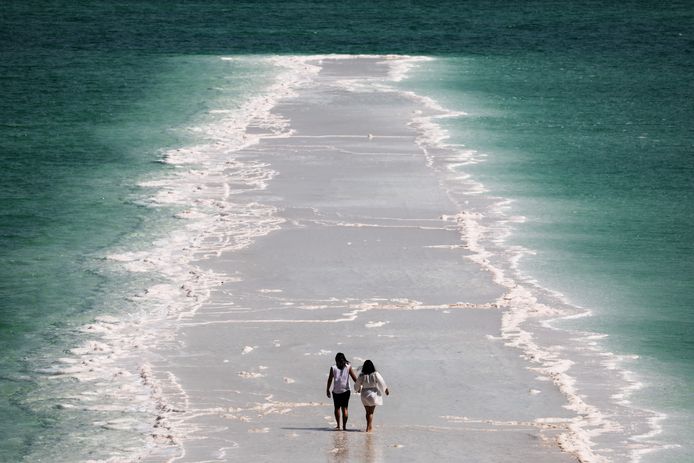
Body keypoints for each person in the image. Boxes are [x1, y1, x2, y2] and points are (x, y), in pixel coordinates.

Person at [354, 360, 389, 432]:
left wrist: (357, 389)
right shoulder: (375, 374)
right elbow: (381, 382)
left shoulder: (362, 375)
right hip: (373, 394)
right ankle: (369, 428)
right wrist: (385, 390)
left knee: (367, 412)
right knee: (371, 412)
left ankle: (368, 427)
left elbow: (357, 384)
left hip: (364, 395)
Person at [326, 352, 358, 430]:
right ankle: (344, 427)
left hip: (336, 391)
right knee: (345, 409)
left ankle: (338, 425)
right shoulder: (348, 366)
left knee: (337, 408)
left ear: (336, 360)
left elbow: (330, 379)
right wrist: (359, 386)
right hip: (346, 391)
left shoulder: (333, 368)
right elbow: (354, 378)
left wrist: (327, 389)